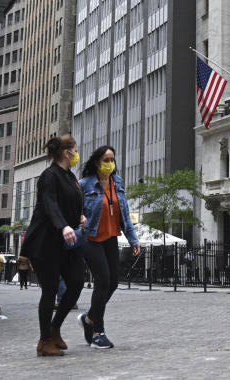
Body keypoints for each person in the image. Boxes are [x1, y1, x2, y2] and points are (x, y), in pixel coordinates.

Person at [23, 134, 88, 357]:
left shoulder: (70, 176)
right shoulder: (49, 176)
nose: (77, 153)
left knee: (77, 282)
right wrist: (63, 226)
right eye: (75, 149)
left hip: (69, 242)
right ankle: (44, 341)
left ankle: (55, 327)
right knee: (49, 291)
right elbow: (50, 204)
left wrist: (81, 217)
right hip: (47, 241)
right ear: (66, 152)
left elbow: (75, 202)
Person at [78, 145, 141, 349]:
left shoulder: (117, 182)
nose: (110, 164)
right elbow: (74, 209)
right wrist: (78, 218)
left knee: (113, 282)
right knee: (103, 280)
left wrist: (134, 240)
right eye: (106, 160)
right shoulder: (85, 184)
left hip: (110, 238)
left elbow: (125, 214)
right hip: (91, 238)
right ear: (97, 162)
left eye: (112, 159)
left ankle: (89, 319)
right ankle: (98, 332)